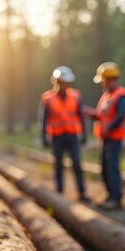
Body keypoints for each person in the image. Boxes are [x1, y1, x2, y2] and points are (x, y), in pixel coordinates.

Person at [84, 62, 125, 210]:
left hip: (114, 138)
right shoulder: (107, 96)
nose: (102, 84)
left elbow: (120, 116)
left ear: (109, 79)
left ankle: (116, 198)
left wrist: (109, 128)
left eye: (103, 81)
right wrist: (92, 115)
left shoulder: (121, 95)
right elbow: (103, 115)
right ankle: (110, 195)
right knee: (104, 168)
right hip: (104, 138)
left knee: (112, 168)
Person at [39, 66, 90, 202]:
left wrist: (84, 133)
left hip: (72, 135)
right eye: (64, 82)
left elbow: (81, 116)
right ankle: (59, 191)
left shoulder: (75, 96)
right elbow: (43, 119)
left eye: (68, 82)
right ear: (57, 82)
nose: (66, 85)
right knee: (58, 164)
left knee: (77, 163)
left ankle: (81, 192)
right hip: (57, 136)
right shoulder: (47, 98)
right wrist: (43, 136)